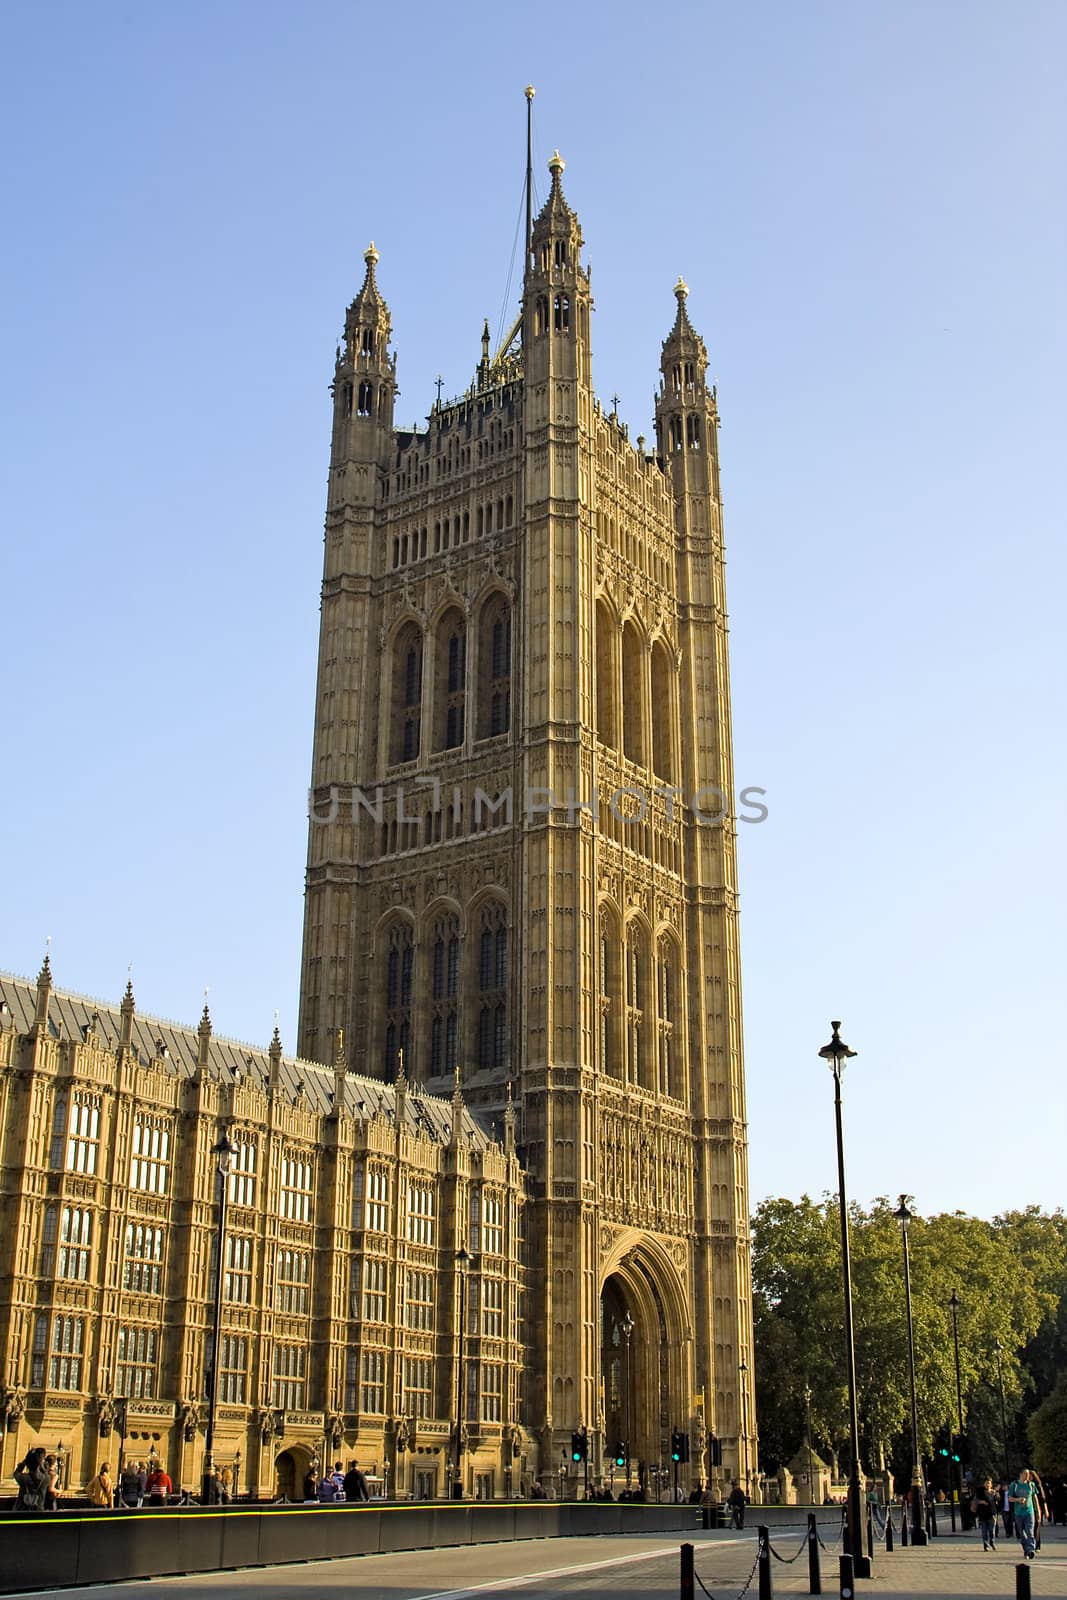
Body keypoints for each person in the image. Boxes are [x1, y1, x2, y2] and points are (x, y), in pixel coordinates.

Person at [1008, 1467, 1037, 1559]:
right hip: (1018, 1513)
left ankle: (1031, 1549)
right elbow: (1009, 1498)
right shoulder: (1014, 1485)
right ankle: (1026, 1550)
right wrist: (1018, 1499)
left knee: (1030, 1531)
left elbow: (1034, 1498)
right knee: (1022, 1533)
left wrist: (1039, 1510)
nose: (1027, 1476)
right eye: (1025, 1474)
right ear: (1021, 1474)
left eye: (1028, 1474)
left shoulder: (1031, 1484)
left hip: (1029, 1512)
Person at [13, 1447, 49, 1512]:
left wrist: (25, 1461)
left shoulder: (23, 1478)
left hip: (21, 1510)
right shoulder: (45, 1479)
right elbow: (46, 1473)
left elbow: (16, 1473)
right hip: (38, 1510)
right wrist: (42, 1466)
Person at [971, 1478, 997, 1551]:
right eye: (986, 1483)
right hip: (982, 1514)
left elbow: (998, 1501)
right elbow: (975, 1500)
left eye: (989, 1483)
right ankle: (986, 1545)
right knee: (984, 1531)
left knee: (992, 1531)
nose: (987, 1484)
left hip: (992, 1514)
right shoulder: (980, 1492)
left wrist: (996, 1494)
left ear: (991, 1484)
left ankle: (992, 1542)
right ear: (984, 1484)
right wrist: (981, 1502)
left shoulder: (993, 1492)